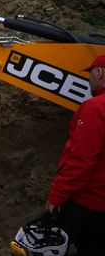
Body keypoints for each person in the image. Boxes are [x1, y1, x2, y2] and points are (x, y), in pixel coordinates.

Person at [45, 55, 105, 255]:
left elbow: (81, 161)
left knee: (52, 245)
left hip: (87, 201)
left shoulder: (95, 108)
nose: (90, 79)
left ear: (100, 72)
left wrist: (57, 196)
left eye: (91, 74)